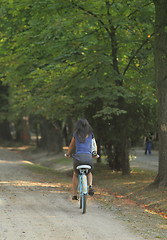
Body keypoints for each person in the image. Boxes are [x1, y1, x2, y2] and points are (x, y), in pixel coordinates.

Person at [65, 118, 95, 200]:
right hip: (88, 158)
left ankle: (75, 195)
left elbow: (71, 145)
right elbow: (94, 145)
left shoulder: (76, 134)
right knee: (89, 172)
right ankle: (90, 186)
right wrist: (95, 154)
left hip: (78, 158)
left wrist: (67, 154)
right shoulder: (91, 134)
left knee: (75, 174)